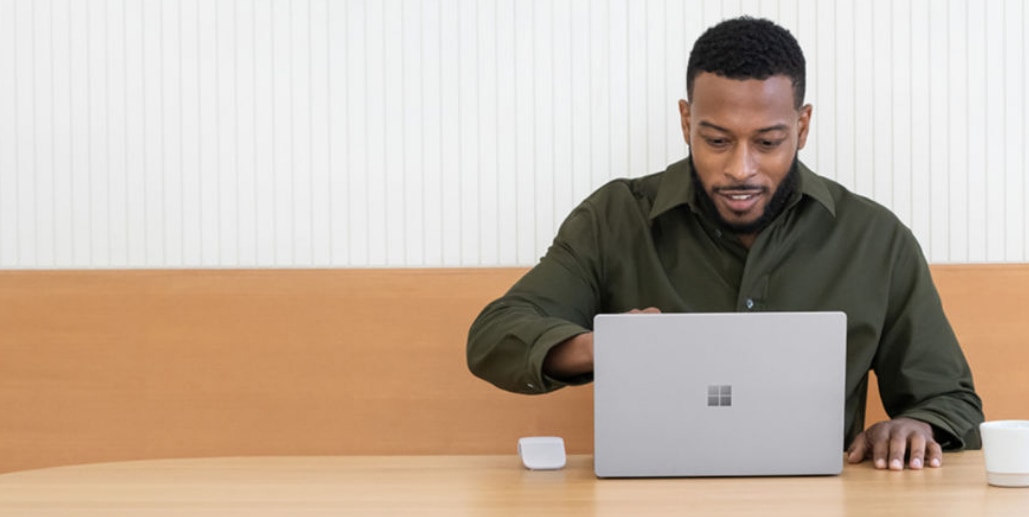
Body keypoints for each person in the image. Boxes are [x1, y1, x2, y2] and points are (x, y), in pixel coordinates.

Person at [466, 16, 984, 471]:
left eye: (767, 141)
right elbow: (495, 336)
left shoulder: (875, 239)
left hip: (822, 504)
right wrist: (606, 348)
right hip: (646, 503)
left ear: (802, 127)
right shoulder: (616, 218)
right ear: (686, 121)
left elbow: (951, 400)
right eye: (716, 140)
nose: (741, 169)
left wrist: (916, 426)